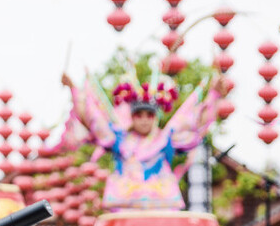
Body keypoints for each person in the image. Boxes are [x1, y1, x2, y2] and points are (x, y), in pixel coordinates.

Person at [61, 65, 226, 211]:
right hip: (123, 208)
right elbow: (92, 118)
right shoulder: (119, 138)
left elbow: (195, 122)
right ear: (132, 116)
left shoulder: (166, 138)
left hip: (162, 207)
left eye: (149, 115)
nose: (144, 119)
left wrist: (214, 94)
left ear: (156, 117)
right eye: (139, 115)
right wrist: (73, 88)